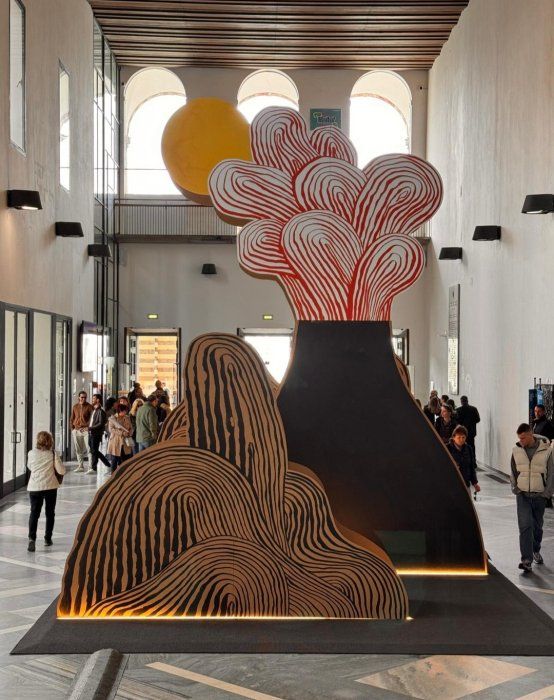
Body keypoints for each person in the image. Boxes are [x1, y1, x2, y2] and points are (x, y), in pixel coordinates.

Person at [510, 423, 554, 572]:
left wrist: (547, 494)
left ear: (530, 435)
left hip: (539, 495)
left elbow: (551, 473)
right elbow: (513, 471)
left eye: (523, 438)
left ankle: (536, 550)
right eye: (519, 438)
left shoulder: (546, 450)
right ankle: (526, 560)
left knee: (537, 526)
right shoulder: (516, 450)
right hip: (522, 495)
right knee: (525, 526)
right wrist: (515, 488)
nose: (520, 441)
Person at [26, 431, 65, 552]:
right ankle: (48, 539)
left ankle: (32, 539)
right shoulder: (52, 453)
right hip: (50, 487)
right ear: (50, 441)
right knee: (50, 513)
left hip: (35, 487)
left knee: (34, 513)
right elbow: (61, 471)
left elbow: (30, 467)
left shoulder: (31, 453)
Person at [447, 425, 481, 495]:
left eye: (463, 437)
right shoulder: (447, 448)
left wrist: (475, 483)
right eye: (459, 437)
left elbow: (471, 467)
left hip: (465, 482)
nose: (461, 439)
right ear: (453, 437)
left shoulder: (468, 449)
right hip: (452, 484)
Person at [88, 394, 111, 474]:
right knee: (93, 450)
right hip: (91, 432)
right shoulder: (94, 410)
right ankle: (106, 464)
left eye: (94, 398)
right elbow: (92, 421)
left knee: (94, 450)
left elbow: (101, 423)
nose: (92, 400)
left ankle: (94, 468)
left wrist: (90, 428)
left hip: (96, 433)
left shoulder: (101, 411)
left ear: (98, 400)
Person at [70, 391, 92, 473]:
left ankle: (90, 467)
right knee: (78, 449)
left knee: (89, 449)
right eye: (82, 397)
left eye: (85, 397)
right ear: (79, 397)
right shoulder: (75, 407)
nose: (83, 399)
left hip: (86, 431)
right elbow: (72, 418)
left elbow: (92, 419)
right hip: (76, 430)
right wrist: (72, 429)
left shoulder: (89, 407)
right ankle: (80, 466)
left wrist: (88, 427)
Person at [107, 404, 133, 471]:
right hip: (115, 442)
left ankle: (124, 474)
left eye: (126, 411)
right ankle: (113, 474)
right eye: (124, 411)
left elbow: (131, 427)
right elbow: (111, 429)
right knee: (114, 459)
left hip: (125, 442)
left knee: (125, 459)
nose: (125, 412)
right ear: (120, 411)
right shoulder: (113, 418)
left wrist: (130, 432)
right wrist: (122, 433)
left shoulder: (127, 417)